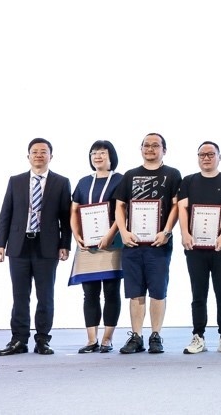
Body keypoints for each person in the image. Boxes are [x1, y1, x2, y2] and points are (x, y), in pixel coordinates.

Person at [0, 138, 71, 356]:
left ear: (51, 156)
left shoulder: (61, 182)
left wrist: (65, 244)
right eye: (34, 151)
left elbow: (66, 218)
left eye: (43, 151)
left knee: (45, 296)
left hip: (47, 246)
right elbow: (5, 214)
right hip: (19, 245)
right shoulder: (15, 181)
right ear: (28, 156)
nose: (39, 155)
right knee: (20, 296)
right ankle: (19, 340)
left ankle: (43, 340)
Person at [113, 132, 181, 354]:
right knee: (135, 292)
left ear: (164, 150)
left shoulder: (172, 174)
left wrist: (167, 232)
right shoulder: (130, 175)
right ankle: (136, 336)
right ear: (141, 149)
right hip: (133, 244)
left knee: (158, 291)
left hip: (159, 244)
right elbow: (120, 206)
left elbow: (176, 206)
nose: (150, 149)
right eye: (146, 145)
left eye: (155, 145)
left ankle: (155, 335)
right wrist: (123, 232)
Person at [177, 141, 221, 355]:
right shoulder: (188, 181)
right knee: (198, 293)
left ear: (219, 157)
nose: (206, 158)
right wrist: (184, 233)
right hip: (195, 247)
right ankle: (198, 336)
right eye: (202, 154)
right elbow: (182, 208)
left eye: (211, 154)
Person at [68, 140, 124, 353]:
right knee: (89, 293)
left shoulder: (120, 180)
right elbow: (74, 211)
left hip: (112, 243)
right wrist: (77, 236)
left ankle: (107, 339)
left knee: (111, 291)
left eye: (102, 153)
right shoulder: (83, 182)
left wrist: (109, 235)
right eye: (94, 153)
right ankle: (91, 339)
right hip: (87, 245)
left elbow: (122, 211)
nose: (97, 156)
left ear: (111, 156)